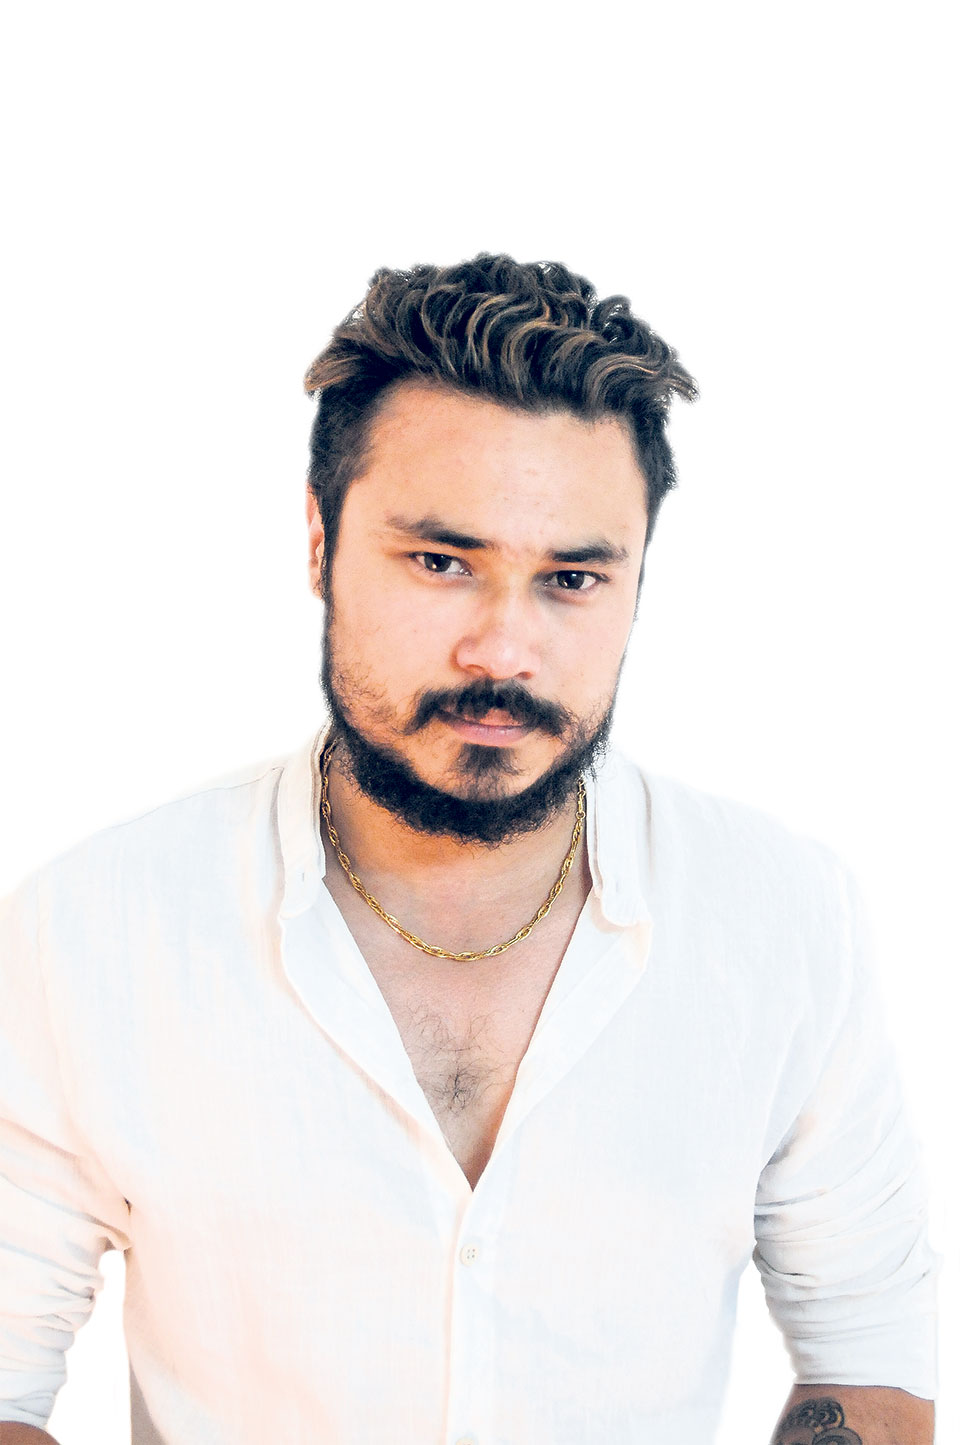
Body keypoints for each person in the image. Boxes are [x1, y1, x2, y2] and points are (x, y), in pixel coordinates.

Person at [0, 255, 938, 1445]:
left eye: (572, 577)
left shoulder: (782, 918)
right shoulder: (93, 928)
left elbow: (866, 1347)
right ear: (319, 540)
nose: (504, 650)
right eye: (442, 562)